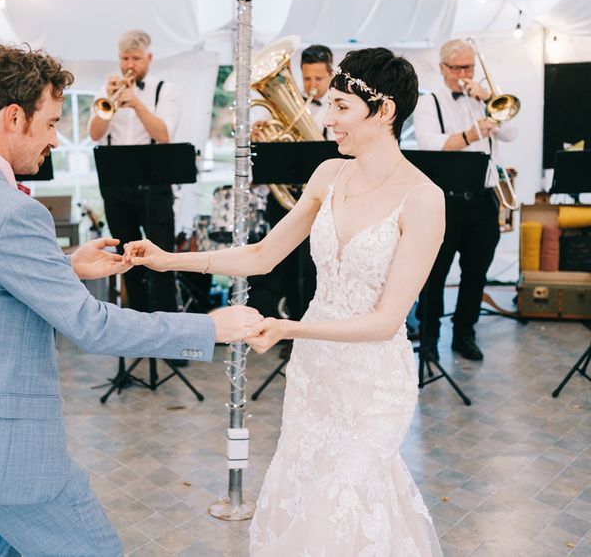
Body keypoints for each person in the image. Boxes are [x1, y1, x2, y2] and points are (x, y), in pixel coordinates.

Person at [0, 44, 263, 556]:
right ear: (14, 117)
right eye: (51, 122)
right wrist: (210, 328)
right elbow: (93, 327)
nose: (56, 139)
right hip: (3, 447)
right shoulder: (12, 212)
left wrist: (63, 266)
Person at [126, 47, 445, 555]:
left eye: (341, 106)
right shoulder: (327, 175)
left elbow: (385, 322)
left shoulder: (424, 198)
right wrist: (168, 261)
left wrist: (287, 329)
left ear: (384, 111)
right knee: (310, 493)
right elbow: (262, 255)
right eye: (329, 104)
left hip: (373, 382)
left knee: (348, 491)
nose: (327, 118)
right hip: (316, 372)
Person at [412, 38, 518, 361]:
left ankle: (464, 333)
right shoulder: (429, 102)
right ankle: (429, 339)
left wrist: (488, 100)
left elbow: (511, 134)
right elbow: (430, 143)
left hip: (484, 200)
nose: (465, 73)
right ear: (443, 69)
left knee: (476, 273)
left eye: (469, 67)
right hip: (446, 203)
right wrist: (472, 135)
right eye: (458, 67)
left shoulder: (483, 99)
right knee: (436, 274)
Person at [88, 30, 180, 314]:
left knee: (161, 260)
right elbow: (94, 133)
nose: (130, 64)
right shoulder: (106, 92)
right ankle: (137, 324)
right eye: (125, 58)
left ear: (148, 58)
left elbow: (163, 134)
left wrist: (137, 103)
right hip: (117, 185)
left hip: (155, 186)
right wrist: (112, 104)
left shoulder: (165, 90)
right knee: (127, 259)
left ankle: (168, 331)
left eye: (136, 58)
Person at [248, 44, 334, 324]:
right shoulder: (284, 108)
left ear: (331, 75)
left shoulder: (338, 109)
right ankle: (293, 325)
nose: (311, 85)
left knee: (315, 266)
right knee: (286, 264)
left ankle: (316, 326)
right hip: (286, 199)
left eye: (318, 79)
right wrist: (260, 138)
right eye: (306, 78)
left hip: (323, 201)